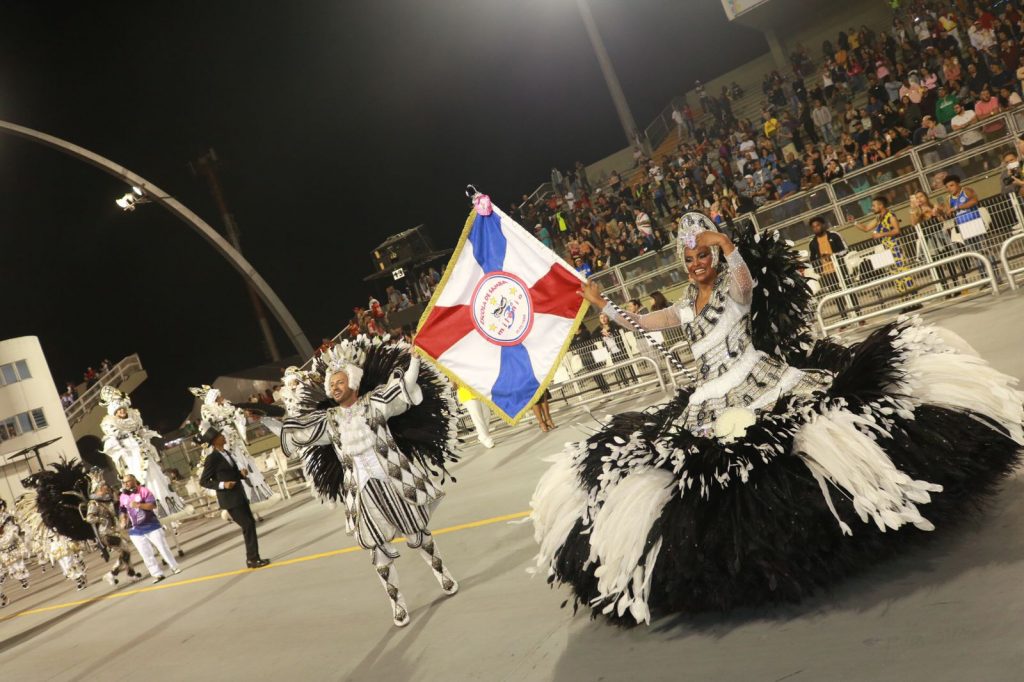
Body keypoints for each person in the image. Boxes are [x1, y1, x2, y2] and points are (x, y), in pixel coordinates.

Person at [531, 211, 1024, 626]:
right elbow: (645, 323)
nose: (697, 264)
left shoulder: (732, 289)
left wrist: (727, 245)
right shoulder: (685, 305)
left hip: (760, 380)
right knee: (721, 477)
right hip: (710, 400)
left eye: (702, 255)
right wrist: (605, 306)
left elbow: (744, 283)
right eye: (689, 258)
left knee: (795, 451)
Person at [271, 338, 459, 627]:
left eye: (339, 381)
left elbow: (406, 386)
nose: (334, 387)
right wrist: (267, 420)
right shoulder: (328, 421)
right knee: (378, 553)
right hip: (362, 494)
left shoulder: (377, 403)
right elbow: (296, 434)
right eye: (331, 384)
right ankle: (396, 603)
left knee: (418, 535)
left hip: (396, 480)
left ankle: (442, 574)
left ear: (354, 383)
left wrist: (415, 359)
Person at [99, 386, 186, 517]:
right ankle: (151, 512)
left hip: (144, 453)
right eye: (118, 410)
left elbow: (141, 433)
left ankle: (168, 507)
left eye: (123, 408)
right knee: (140, 481)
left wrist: (147, 437)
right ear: (114, 413)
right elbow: (111, 445)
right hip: (131, 458)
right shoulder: (110, 425)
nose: (122, 411)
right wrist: (121, 448)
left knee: (155, 477)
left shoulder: (134, 419)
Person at [193, 386, 276, 507]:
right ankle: (238, 500)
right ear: (214, 398)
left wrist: (241, 412)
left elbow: (237, 414)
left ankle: (256, 497)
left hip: (233, 437)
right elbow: (209, 423)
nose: (222, 397)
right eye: (219, 396)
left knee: (245, 463)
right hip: (222, 439)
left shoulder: (227, 405)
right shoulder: (207, 409)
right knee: (232, 465)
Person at [199, 429, 270, 570]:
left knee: (249, 525)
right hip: (230, 499)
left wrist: (240, 474)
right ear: (214, 441)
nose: (223, 436)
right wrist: (222, 485)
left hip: (240, 495)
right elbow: (204, 481)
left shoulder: (227, 454)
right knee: (248, 525)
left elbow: (230, 474)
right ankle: (253, 559)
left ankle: (253, 558)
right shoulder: (212, 458)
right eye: (220, 436)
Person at [118, 474, 180, 584]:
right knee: (145, 554)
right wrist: (123, 520)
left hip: (151, 526)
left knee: (163, 548)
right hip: (135, 530)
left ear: (134, 480)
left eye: (128, 481)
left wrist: (138, 505)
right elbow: (122, 510)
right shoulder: (123, 496)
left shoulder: (144, 490)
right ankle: (157, 574)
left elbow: (152, 505)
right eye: (124, 482)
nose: (125, 484)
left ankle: (174, 567)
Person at [852, 196, 914, 296]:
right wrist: (854, 222)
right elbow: (866, 228)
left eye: (874, 205)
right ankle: (905, 297)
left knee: (903, 271)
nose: (872, 208)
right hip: (887, 249)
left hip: (895, 247)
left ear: (881, 205)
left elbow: (897, 230)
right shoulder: (878, 217)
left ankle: (913, 295)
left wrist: (880, 234)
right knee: (894, 273)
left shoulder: (890, 215)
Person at [807, 216, 859, 320]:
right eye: (813, 227)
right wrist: (819, 270)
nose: (816, 228)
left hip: (840, 268)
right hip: (827, 273)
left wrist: (832, 255)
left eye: (818, 225)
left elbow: (845, 250)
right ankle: (844, 316)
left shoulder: (834, 235)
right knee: (836, 296)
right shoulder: (812, 243)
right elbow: (812, 260)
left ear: (823, 225)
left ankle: (858, 314)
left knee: (848, 291)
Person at [0, 499, 31, 607]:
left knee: (18, 565)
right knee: (11, 568)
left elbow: (15, 530)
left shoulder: (8, 518)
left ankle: (22, 578)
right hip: (3, 548)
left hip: (10, 542)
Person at [457, 385, 494, 449]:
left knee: (487, 413)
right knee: (477, 417)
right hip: (467, 394)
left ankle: (482, 435)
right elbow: (454, 384)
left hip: (479, 391)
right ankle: (486, 438)